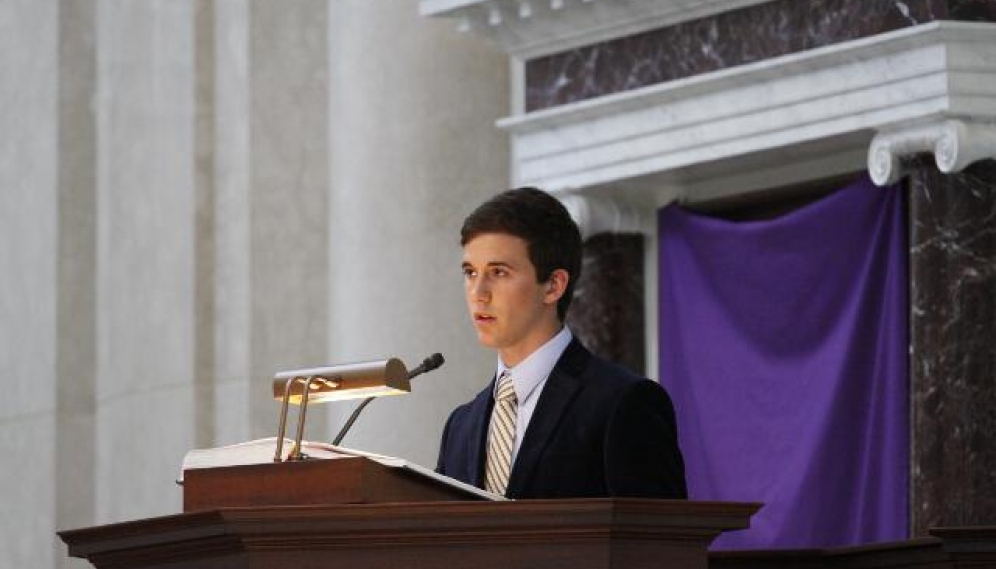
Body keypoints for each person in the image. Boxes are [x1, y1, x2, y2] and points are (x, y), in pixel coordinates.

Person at [436, 187, 687, 499]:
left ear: (553, 286)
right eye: (470, 273)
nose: (478, 293)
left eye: (498, 272)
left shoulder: (624, 402)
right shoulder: (460, 427)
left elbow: (659, 540)